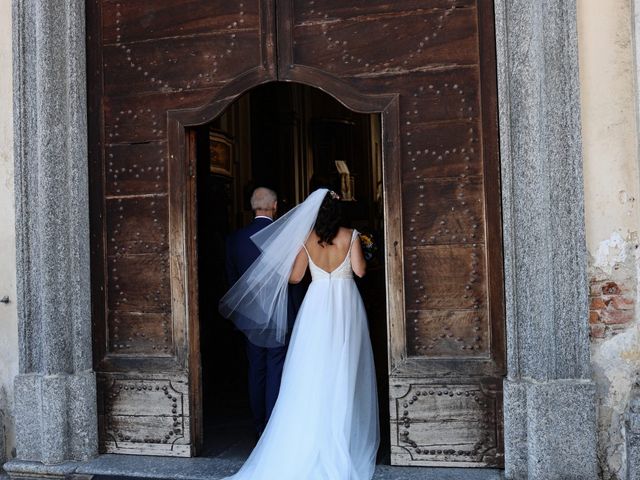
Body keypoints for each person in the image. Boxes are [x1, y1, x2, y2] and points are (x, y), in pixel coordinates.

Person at [219, 188, 379, 480]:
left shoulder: (306, 240)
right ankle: (341, 431)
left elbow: (294, 277)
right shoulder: (352, 235)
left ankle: (311, 430)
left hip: (316, 307)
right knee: (343, 366)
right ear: (338, 211)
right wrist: (364, 252)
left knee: (313, 369)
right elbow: (359, 272)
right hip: (345, 305)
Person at [225, 187, 289, 437]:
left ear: (253, 207)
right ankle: (273, 424)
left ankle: (258, 424)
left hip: (249, 314)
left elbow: (232, 280)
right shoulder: (284, 235)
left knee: (256, 368)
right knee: (276, 366)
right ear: (274, 206)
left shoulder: (235, 239)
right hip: (278, 312)